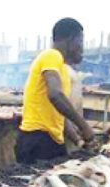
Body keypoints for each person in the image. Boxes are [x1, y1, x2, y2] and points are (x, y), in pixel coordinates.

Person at [15, 18, 96, 164]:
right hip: (37, 140)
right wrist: (84, 126)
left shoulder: (62, 69)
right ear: (71, 39)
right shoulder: (51, 55)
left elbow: (58, 112)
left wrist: (78, 140)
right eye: (81, 41)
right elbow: (55, 96)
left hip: (50, 141)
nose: (82, 48)